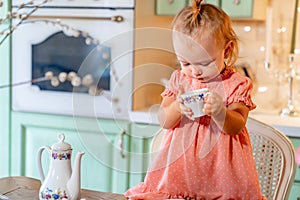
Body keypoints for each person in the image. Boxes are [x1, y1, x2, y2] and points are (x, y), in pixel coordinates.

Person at [124, 0, 265, 199]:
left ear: (226, 50)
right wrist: (177, 107)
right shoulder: (180, 80)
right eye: (185, 62)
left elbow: (236, 127)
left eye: (205, 63)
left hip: (223, 176)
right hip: (179, 175)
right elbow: (164, 120)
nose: (195, 71)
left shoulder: (237, 84)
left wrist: (220, 112)